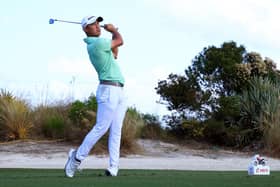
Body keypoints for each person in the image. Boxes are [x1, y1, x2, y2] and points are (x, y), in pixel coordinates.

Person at [64, 15, 127, 178]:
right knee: (101, 128)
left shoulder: (100, 44)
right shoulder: (97, 44)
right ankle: (76, 158)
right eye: (93, 25)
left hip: (119, 90)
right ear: (86, 29)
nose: (98, 26)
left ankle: (114, 167)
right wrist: (114, 31)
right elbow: (120, 41)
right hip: (108, 90)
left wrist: (113, 34)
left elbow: (115, 53)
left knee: (116, 130)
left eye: (98, 24)